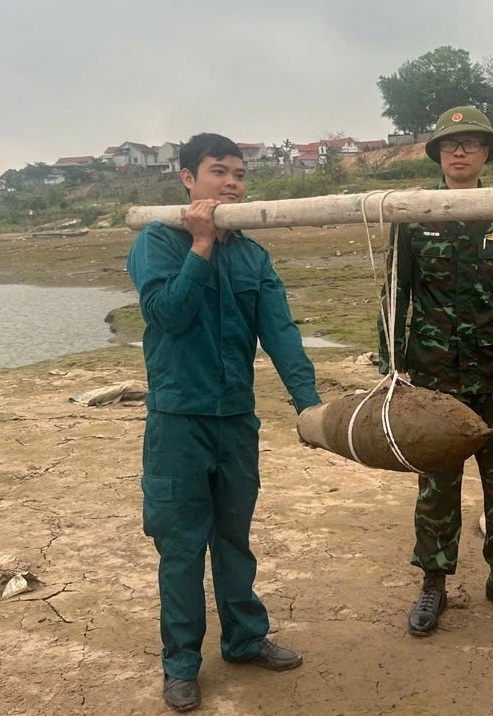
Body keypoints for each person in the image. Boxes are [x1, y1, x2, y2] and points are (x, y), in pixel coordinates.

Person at [127, 133, 322, 712]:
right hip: (178, 422)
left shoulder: (253, 255)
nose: (233, 182)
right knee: (181, 546)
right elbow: (169, 313)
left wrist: (307, 404)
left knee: (234, 538)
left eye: (239, 173)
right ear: (187, 178)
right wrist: (202, 244)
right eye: (219, 172)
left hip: (236, 420)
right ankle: (181, 664)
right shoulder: (155, 242)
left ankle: (244, 639)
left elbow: (280, 333)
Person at [378, 106, 493, 636]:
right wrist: (390, 364)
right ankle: (433, 582)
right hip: (434, 378)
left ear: (485, 154)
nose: (460, 151)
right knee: (437, 482)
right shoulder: (414, 212)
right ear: (437, 154)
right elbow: (395, 293)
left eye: (472, 143)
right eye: (451, 143)